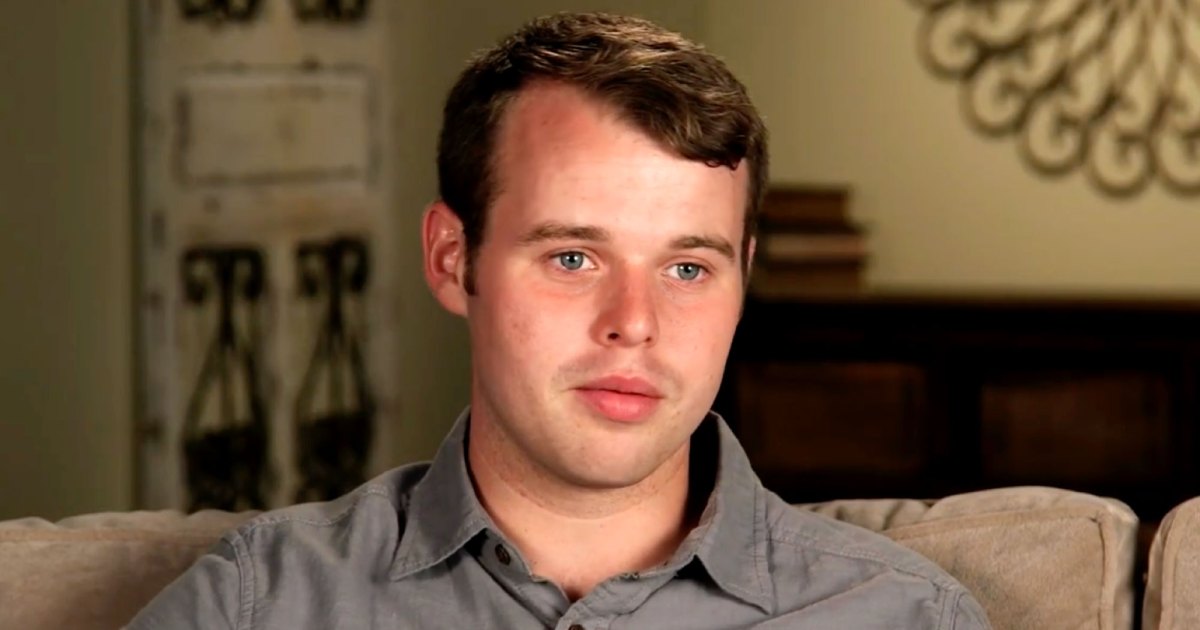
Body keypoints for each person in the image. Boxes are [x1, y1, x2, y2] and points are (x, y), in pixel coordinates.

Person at [129, 12, 990, 629]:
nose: (634, 323)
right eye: (574, 258)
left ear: (743, 279)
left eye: (688, 269)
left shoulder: (906, 614)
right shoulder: (259, 603)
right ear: (452, 259)